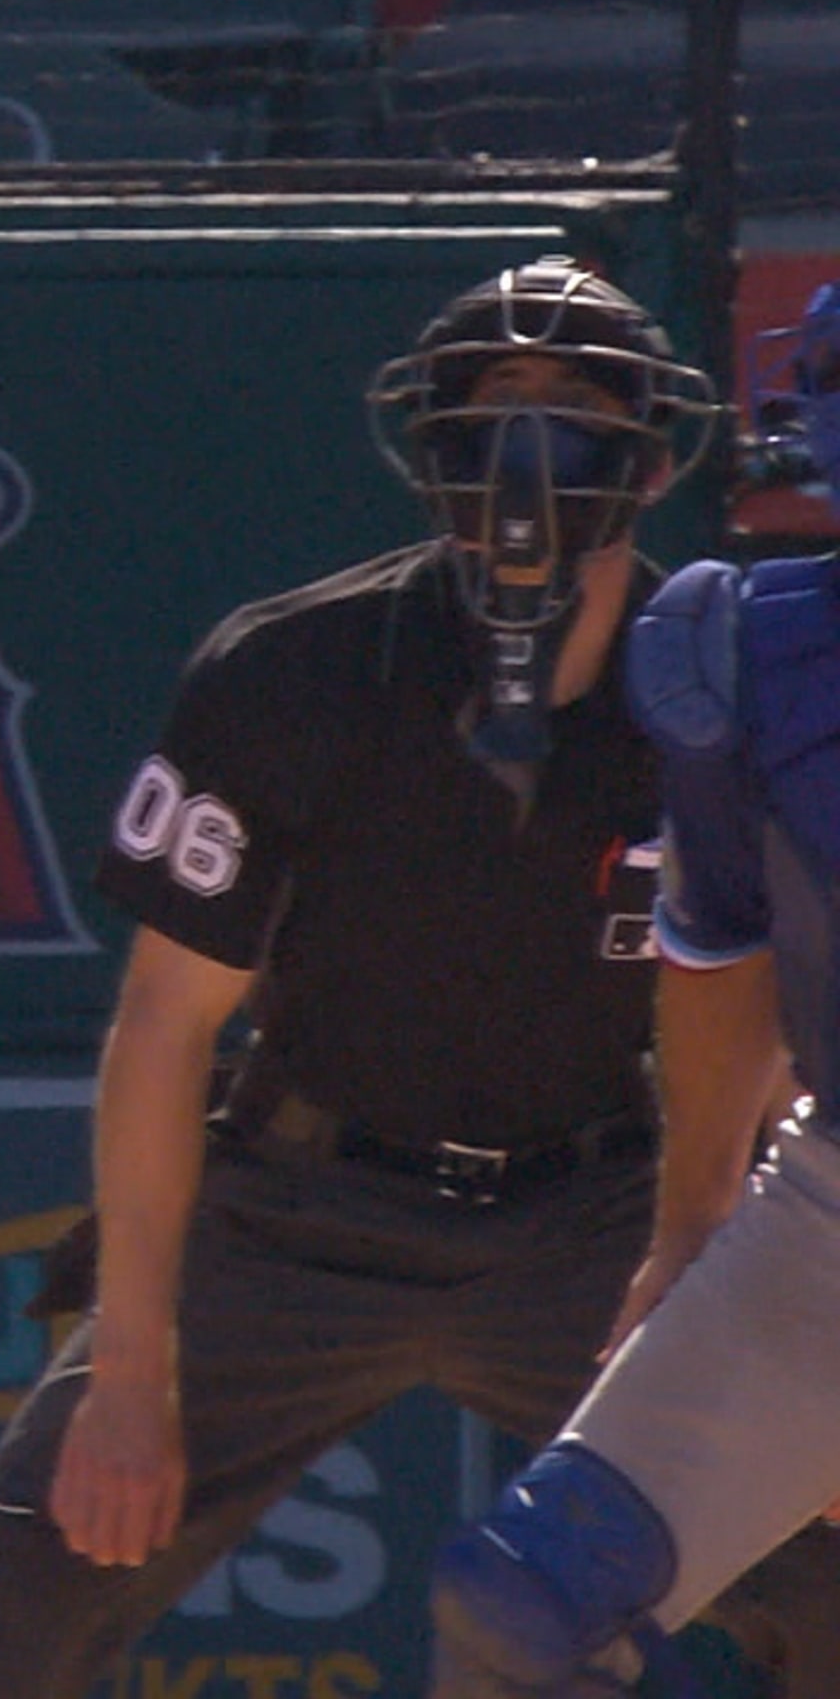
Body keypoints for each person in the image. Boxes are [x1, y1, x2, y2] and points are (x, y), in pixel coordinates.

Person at [0, 255, 840, 1698]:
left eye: (575, 412)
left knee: (822, 1555)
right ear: (431, 448)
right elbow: (166, 1030)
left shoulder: (721, 683)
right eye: (497, 410)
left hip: (607, 1215)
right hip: (304, 1205)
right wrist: (130, 1370)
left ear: (653, 453)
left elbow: (767, 1006)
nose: (530, 457)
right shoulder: (293, 670)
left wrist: (740, 1284)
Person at [429, 282, 840, 1698]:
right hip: (834, 1214)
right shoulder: (743, 649)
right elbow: (721, 951)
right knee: (521, 1609)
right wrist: (691, 1232)